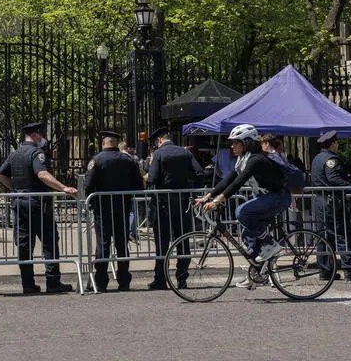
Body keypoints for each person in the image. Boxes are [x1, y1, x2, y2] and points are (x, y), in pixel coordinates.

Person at [197, 124, 291, 289]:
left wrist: (218, 201)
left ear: (247, 143)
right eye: (231, 143)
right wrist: (208, 196)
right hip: (265, 197)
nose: (232, 146)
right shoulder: (242, 159)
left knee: (242, 211)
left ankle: (270, 244)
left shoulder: (255, 159)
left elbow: (238, 183)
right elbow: (229, 179)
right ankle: (255, 273)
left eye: (236, 143)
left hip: (278, 197)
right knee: (248, 234)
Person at [0, 121, 77, 294]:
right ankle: (53, 282)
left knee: (24, 244)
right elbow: (42, 174)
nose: (43, 139)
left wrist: (15, 189)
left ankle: (28, 284)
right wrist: (63, 188)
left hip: (19, 202)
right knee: (49, 242)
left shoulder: (15, 154)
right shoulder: (36, 153)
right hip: (38, 203)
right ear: (34, 135)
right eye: (41, 135)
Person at [84, 130, 144, 292]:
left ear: (104, 141)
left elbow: (88, 185)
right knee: (122, 243)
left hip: (102, 208)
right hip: (123, 207)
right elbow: (138, 184)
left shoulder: (97, 160)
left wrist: (92, 202)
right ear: (116, 142)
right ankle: (124, 281)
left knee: (103, 244)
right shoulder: (128, 160)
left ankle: (101, 281)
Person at [146, 126, 203, 290]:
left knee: (162, 243)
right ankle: (182, 278)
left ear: (158, 140)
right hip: (182, 202)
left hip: (163, 204)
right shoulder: (185, 152)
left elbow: (153, 178)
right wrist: (190, 189)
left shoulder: (158, 154)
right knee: (183, 241)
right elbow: (199, 173)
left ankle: (160, 279)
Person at [309, 130, 351, 281]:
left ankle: (325, 270)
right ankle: (349, 269)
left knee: (324, 236)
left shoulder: (317, 158)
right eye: (336, 142)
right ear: (332, 143)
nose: (338, 145)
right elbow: (333, 179)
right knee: (342, 234)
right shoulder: (331, 159)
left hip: (321, 201)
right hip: (331, 201)